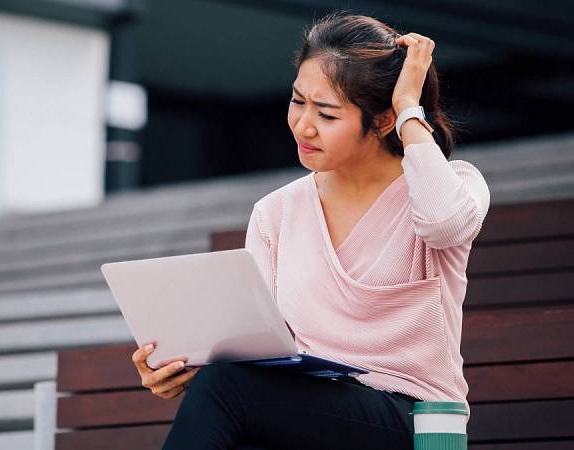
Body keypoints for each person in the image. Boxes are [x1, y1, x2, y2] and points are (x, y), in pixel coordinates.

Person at [131, 10, 490, 450]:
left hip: (412, 420)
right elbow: (258, 348)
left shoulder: (452, 186)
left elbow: (445, 224)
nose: (303, 125)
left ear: (381, 121)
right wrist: (183, 372)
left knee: (230, 391)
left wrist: (409, 112)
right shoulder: (275, 212)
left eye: (326, 113)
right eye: (298, 102)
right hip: (307, 413)